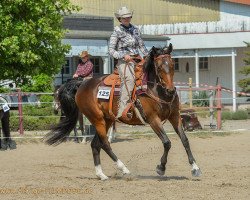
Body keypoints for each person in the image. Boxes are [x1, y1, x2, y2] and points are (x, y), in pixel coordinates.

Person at [108, 6, 149, 119]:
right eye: (124, 18)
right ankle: (123, 110)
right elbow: (111, 50)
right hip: (124, 61)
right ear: (120, 19)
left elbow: (141, 45)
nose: (127, 19)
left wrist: (148, 57)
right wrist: (123, 55)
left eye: (128, 17)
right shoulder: (117, 31)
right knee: (129, 79)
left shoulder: (136, 29)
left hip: (138, 59)